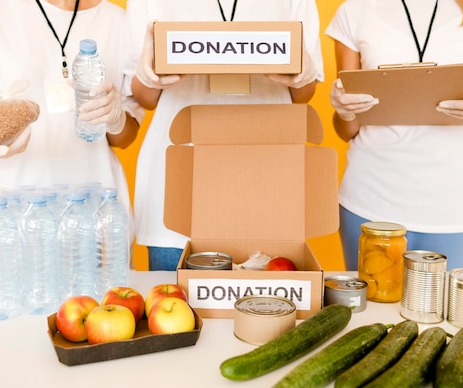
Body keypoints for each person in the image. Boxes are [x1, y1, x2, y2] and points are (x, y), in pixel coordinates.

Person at [0, 0, 143, 272]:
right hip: (4, 221)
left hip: (93, 221)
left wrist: (116, 120)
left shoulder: (118, 21)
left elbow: (124, 138)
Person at [326, 0, 463, 270]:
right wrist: (345, 111)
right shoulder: (355, 9)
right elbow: (346, 130)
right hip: (368, 201)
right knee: (369, 312)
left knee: (452, 312)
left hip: (454, 206)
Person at [124, 0, 324, 271]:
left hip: (268, 175)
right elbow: (145, 99)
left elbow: (303, 94)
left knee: (266, 309)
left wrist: (303, 77)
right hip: (179, 179)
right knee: (176, 305)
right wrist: (147, 78)